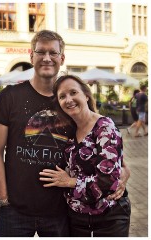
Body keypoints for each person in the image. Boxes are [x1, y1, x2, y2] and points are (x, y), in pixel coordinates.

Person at [0, 30, 130, 237]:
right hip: (16, 210)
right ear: (32, 56)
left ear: (62, 58)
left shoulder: (68, 105)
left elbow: (111, 154)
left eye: (53, 53)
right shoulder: (9, 97)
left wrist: (124, 174)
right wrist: (3, 198)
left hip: (61, 210)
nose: (47, 58)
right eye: (41, 52)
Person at [39, 74, 131, 237]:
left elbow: (106, 182)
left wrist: (69, 182)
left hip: (109, 218)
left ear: (86, 95)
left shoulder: (104, 128)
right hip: (76, 219)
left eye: (73, 92)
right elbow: (121, 166)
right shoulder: (68, 130)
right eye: (62, 96)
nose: (68, 99)